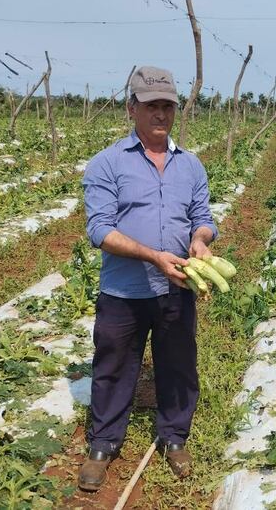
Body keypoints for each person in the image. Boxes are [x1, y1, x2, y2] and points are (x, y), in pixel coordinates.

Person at [78, 66, 217, 491]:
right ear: (132, 108)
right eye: (151, 105)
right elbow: (99, 230)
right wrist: (153, 256)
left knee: (177, 364)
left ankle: (174, 437)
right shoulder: (107, 163)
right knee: (114, 366)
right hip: (124, 289)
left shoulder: (190, 165)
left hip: (177, 285)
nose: (160, 114)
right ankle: (103, 445)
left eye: (167, 106)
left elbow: (204, 218)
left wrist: (200, 240)